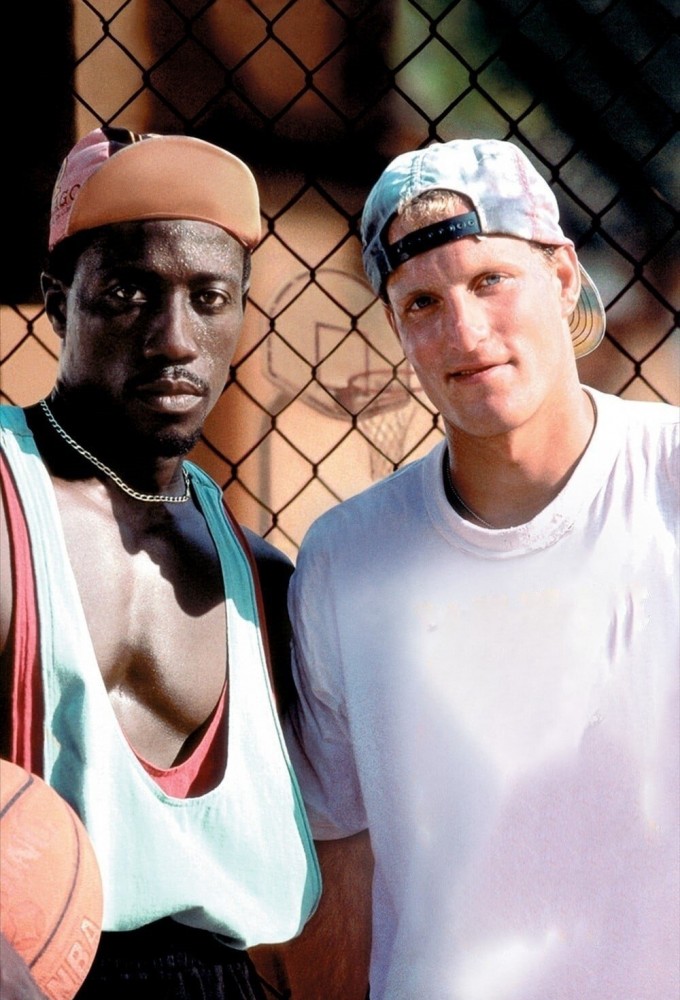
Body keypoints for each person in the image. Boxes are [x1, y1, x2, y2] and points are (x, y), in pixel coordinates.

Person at [283, 138, 679, 999]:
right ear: (397, 330)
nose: (464, 333)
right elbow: (339, 854)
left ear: (564, 277)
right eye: (422, 302)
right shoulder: (347, 560)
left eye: (490, 280)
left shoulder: (669, 481)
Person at [0, 125, 321, 999]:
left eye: (209, 298)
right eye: (129, 293)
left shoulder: (265, 584)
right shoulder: (8, 505)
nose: (175, 339)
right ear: (57, 300)